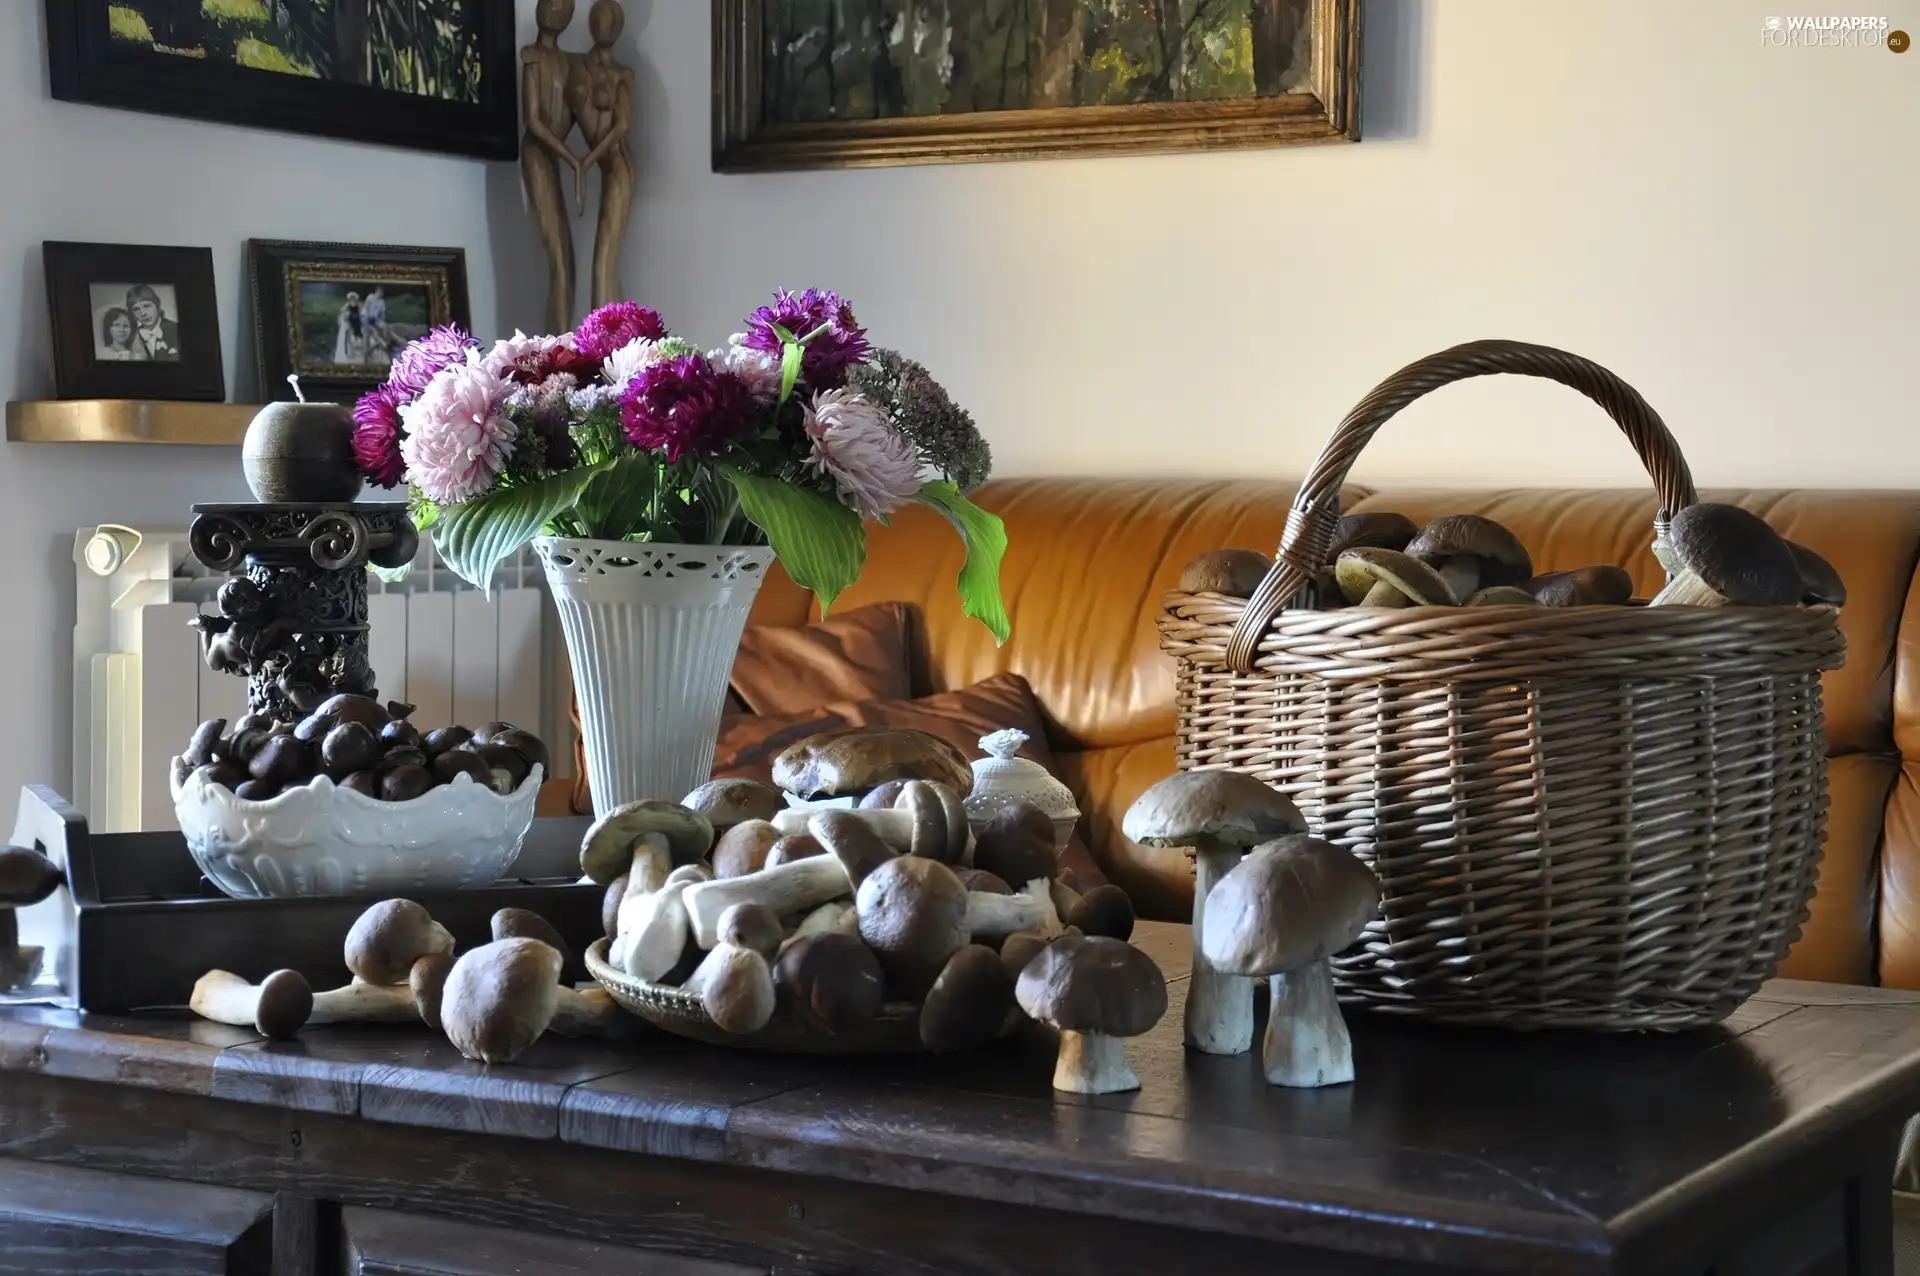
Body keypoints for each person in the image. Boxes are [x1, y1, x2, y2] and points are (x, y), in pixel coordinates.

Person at [126, 285, 181, 362]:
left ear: (157, 306)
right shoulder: (131, 338)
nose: (143, 313)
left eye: (147, 306)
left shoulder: (176, 329)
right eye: (136, 309)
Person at [335, 291, 366, 364]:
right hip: (352, 319)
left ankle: (359, 344)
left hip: (357, 319)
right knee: (353, 333)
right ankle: (353, 348)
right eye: (351, 298)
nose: (352, 300)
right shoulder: (348, 304)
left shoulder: (357, 305)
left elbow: (361, 311)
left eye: (353, 298)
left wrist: (361, 315)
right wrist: (346, 314)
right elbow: (342, 310)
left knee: (358, 332)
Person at [362, 285, 390, 359]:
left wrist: (383, 322)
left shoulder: (382, 302)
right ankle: (365, 353)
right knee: (368, 332)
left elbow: (382, 314)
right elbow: (366, 307)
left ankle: (384, 343)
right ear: (377, 292)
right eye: (380, 293)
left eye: (382, 294)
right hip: (366, 318)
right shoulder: (370, 297)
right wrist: (369, 319)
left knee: (385, 327)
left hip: (376, 319)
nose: (381, 295)